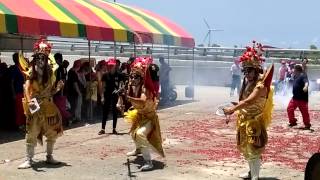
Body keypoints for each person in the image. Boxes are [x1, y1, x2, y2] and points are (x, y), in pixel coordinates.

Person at [223, 41, 274, 180]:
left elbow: (249, 101)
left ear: (256, 69)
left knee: (254, 149)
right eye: (245, 71)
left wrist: (233, 108)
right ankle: (251, 173)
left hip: (254, 121)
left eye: (249, 70)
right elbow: (244, 101)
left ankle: (255, 176)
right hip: (244, 119)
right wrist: (237, 106)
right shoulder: (248, 83)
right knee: (246, 148)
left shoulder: (260, 85)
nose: (247, 74)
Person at [18, 39, 64, 169]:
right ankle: (29, 159)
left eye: (43, 58)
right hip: (35, 105)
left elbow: (51, 91)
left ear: (47, 59)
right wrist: (30, 102)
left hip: (49, 106)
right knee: (32, 132)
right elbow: (27, 87)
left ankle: (49, 156)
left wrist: (58, 88)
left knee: (52, 132)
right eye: (38, 58)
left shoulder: (50, 74)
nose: (40, 61)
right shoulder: (32, 72)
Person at [124, 57, 164, 171]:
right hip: (139, 115)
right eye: (131, 76)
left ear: (141, 77)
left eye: (135, 76)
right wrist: (120, 103)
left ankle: (148, 162)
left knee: (140, 134)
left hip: (149, 118)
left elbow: (142, 101)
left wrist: (129, 98)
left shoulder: (145, 88)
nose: (132, 78)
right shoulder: (131, 87)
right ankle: (138, 150)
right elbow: (126, 101)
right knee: (133, 133)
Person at [98, 58, 123, 135]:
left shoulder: (119, 75)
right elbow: (102, 87)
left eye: (111, 65)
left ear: (115, 65)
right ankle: (103, 128)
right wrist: (102, 97)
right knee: (105, 112)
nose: (110, 67)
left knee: (115, 112)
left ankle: (114, 129)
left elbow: (121, 85)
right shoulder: (105, 75)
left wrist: (119, 90)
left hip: (115, 95)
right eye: (109, 65)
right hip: (107, 95)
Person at [287, 64, 311, 129]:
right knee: (289, 109)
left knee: (304, 112)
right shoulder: (295, 76)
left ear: (297, 70)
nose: (293, 70)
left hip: (302, 99)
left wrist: (306, 86)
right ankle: (293, 122)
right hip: (294, 98)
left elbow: (306, 82)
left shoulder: (303, 75)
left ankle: (307, 124)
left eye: (294, 69)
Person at [10, 52, 26, 129]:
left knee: (24, 108)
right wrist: (13, 94)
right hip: (18, 92)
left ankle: (23, 123)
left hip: (24, 91)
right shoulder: (15, 68)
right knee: (19, 109)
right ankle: (20, 124)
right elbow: (12, 82)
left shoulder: (22, 67)